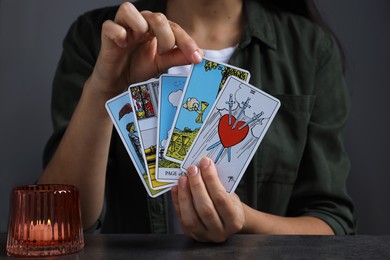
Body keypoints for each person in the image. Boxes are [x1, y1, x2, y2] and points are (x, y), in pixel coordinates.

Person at [39, 0, 356, 242]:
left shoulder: (311, 49)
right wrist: (104, 89)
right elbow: (57, 222)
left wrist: (244, 221)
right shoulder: (101, 38)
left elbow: (331, 224)